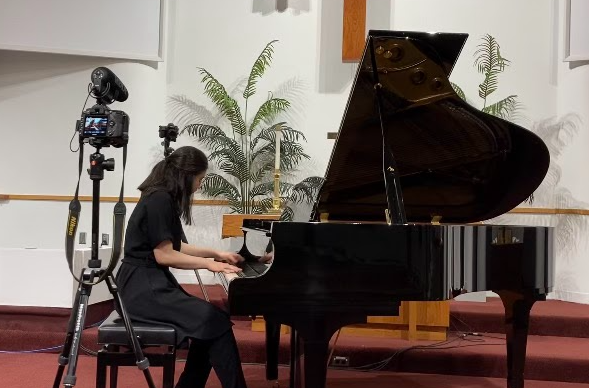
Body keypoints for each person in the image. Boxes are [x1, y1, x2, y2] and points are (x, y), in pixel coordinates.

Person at [115, 146, 248, 388]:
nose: (200, 185)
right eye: (201, 179)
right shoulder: (159, 199)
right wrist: (210, 265)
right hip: (142, 290)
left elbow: (177, 246)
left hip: (147, 283)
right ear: (187, 176)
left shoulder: (161, 197)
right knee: (211, 319)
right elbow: (165, 255)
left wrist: (217, 254)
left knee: (212, 320)